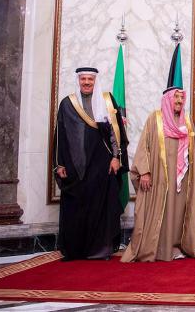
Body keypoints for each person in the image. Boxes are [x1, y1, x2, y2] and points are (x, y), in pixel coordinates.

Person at [53, 67, 128, 260]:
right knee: (75, 207)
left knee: (101, 206)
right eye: (83, 79)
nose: (86, 82)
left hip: (102, 164)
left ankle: (100, 250)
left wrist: (116, 157)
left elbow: (115, 132)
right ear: (78, 81)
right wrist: (59, 164)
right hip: (74, 165)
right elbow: (60, 135)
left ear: (95, 81)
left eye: (90, 79)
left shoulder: (107, 101)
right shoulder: (68, 104)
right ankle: (74, 250)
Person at [121, 86, 195, 262]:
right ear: (167, 100)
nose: (179, 101)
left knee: (177, 212)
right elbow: (144, 147)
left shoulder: (186, 121)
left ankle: (173, 247)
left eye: (182, 98)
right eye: (176, 98)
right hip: (157, 177)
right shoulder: (155, 119)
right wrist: (144, 172)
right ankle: (153, 248)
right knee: (158, 212)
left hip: (181, 178)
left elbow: (194, 151)